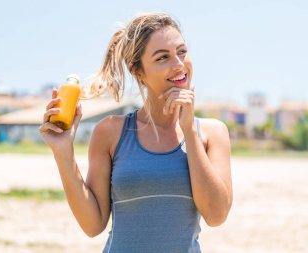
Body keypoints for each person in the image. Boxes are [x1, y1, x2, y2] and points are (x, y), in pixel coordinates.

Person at [39, 12, 232, 253]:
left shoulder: (213, 133)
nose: (179, 64)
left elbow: (216, 215)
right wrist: (63, 152)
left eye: (181, 52)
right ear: (137, 72)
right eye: (163, 57)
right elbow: (92, 225)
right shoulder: (110, 132)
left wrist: (189, 131)